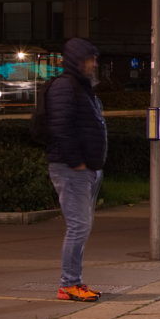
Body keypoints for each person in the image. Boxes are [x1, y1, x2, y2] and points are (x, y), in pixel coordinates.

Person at [46, 38, 107, 302]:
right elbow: (61, 127)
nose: (93, 64)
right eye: (89, 59)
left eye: (94, 59)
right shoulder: (64, 86)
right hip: (72, 169)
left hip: (86, 169)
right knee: (78, 226)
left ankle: (74, 282)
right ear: (76, 61)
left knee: (82, 226)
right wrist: (76, 162)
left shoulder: (83, 87)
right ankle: (69, 284)